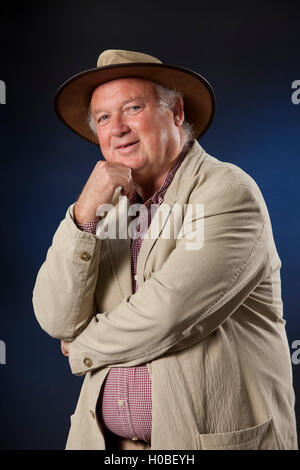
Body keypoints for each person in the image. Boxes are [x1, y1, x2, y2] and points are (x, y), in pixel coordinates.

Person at [33, 49, 298, 450]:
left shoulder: (227, 192)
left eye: (132, 108)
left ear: (175, 111)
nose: (117, 128)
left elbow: (170, 312)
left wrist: (83, 346)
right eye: (104, 118)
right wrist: (83, 215)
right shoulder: (107, 207)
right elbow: (56, 318)